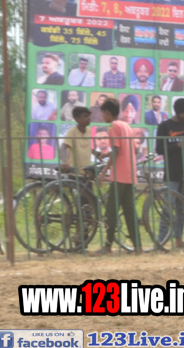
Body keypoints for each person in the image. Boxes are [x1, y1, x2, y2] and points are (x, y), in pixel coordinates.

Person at [154, 97, 184, 250]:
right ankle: (160, 241)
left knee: (182, 208)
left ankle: (178, 239)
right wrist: (178, 145)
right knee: (168, 207)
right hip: (171, 173)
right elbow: (159, 149)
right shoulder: (165, 126)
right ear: (177, 111)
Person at [98, 98, 140, 254]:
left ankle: (108, 246)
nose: (103, 116)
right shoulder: (126, 125)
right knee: (129, 211)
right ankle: (138, 246)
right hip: (130, 173)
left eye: (103, 113)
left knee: (111, 211)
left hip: (119, 175)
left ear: (107, 112)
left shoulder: (113, 126)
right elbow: (133, 149)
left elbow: (116, 151)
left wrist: (104, 172)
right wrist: (108, 154)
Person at [60, 104, 94, 175]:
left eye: (89, 116)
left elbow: (86, 148)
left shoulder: (89, 131)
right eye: (85, 116)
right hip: (75, 172)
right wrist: (64, 162)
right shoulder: (72, 131)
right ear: (77, 119)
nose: (88, 118)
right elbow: (63, 147)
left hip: (87, 171)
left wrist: (97, 153)